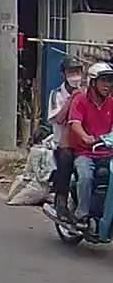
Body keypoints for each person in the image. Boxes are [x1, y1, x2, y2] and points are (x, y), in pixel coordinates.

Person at [67, 61, 113, 236]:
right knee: (86, 177)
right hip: (86, 153)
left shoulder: (111, 103)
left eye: (110, 81)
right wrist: (86, 137)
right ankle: (82, 215)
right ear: (93, 82)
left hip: (108, 153)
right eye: (104, 81)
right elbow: (75, 123)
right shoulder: (80, 100)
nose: (108, 85)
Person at [50, 57, 86, 221]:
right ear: (64, 74)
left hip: (84, 143)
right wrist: (72, 99)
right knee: (65, 160)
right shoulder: (57, 94)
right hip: (63, 144)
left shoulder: (87, 94)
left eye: (77, 72)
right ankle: (61, 200)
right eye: (71, 72)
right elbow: (58, 119)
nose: (75, 76)